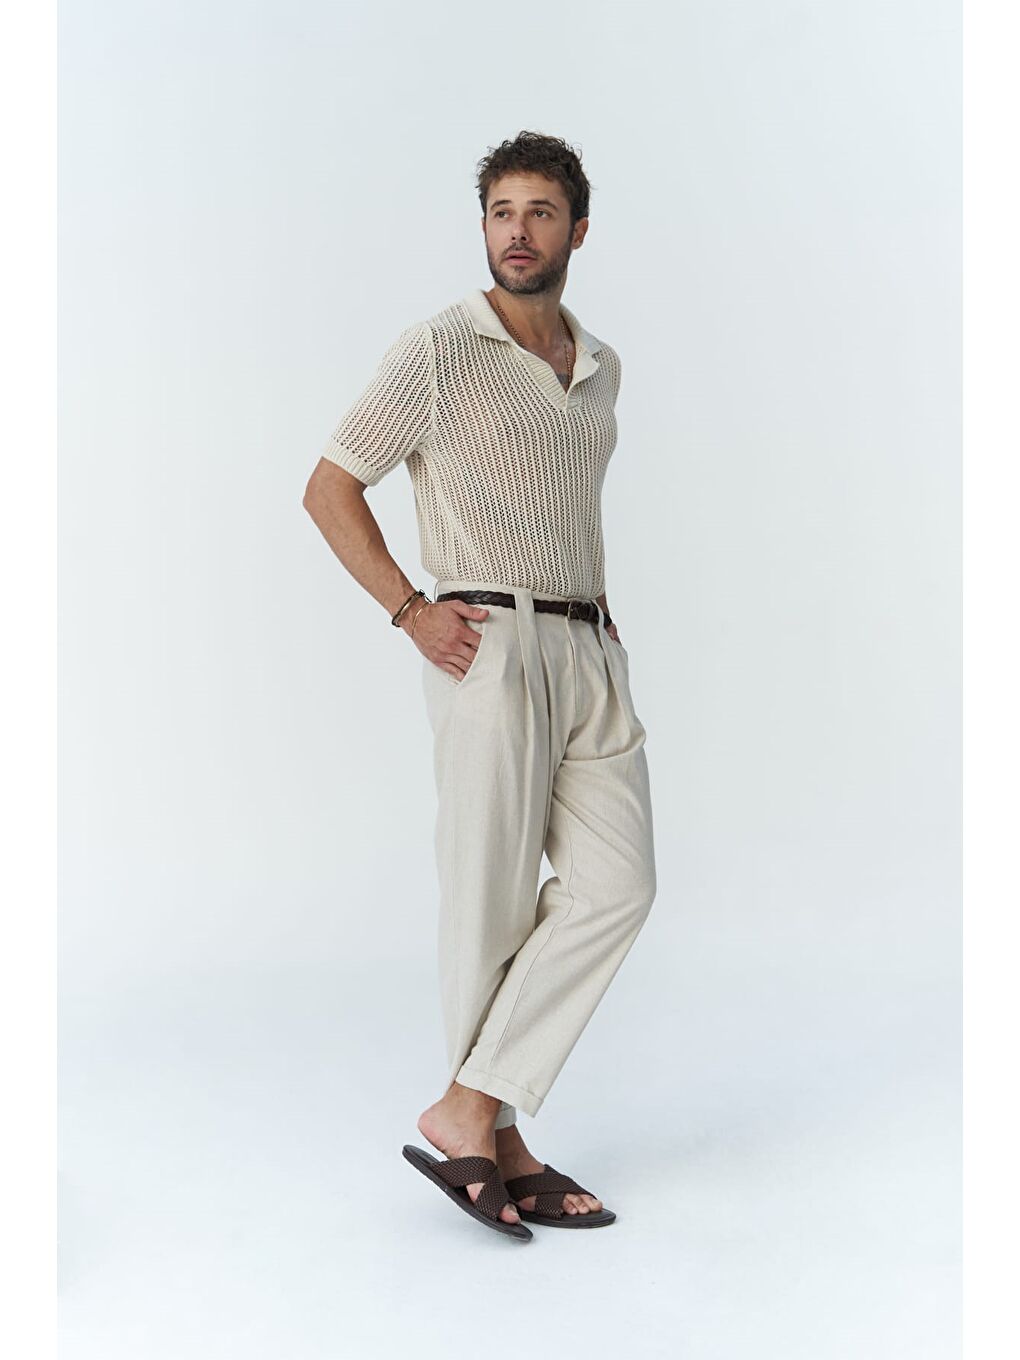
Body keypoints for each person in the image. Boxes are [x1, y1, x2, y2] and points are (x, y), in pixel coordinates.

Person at [303, 130, 656, 1239]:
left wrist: (596, 613)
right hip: (486, 641)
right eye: (502, 211)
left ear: (578, 231)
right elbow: (330, 486)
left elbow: (565, 501)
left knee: (618, 885)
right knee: (491, 902)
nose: (518, 231)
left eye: (541, 212)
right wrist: (410, 609)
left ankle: (471, 1111)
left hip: (589, 643)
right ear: (485, 227)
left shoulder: (599, 367)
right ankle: (496, 1138)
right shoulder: (438, 349)